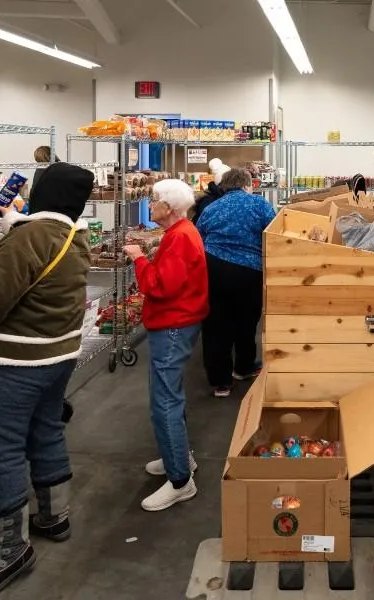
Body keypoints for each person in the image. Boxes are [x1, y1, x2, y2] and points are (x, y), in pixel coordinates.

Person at [0, 162, 93, 600]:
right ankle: (54, 516)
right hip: (59, 356)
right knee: (45, 432)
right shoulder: (74, 236)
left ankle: (11, 551)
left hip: (17, 361)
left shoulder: (30, 236)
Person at [122, 180, 208, 511]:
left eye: (154, 200)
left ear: (168, 208)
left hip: (173, 325)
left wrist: (140, 258)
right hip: (178, 322)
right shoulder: (181, 232)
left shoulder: (181, 238)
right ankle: (180, 456)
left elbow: (160, 288)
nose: (149, 204)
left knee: (165, 402)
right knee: (169, 395)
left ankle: (180, 481)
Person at [196, 167, 275, 397]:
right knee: (246, 321)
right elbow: (273, 233)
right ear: (247, 185)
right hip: (248, 270)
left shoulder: (211, 208)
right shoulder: (259, 205)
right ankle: (243, 368)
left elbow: (200, 236)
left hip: (213, 268)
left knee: (215, 325)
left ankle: (220, 382)